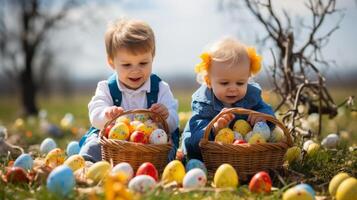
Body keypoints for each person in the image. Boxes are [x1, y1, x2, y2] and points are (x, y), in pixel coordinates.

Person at [79, 18, 179, 162]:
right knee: (94, 143)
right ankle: (87, 164)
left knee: (165, 148)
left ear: (152, 57)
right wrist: (106, 114)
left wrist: (165, 117)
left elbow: (174, 121)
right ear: (112, 63)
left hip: (149, 145)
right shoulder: (107, 87)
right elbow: (95, 114)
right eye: (126, 65)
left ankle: (159, 167)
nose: (135, 70)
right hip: (113, 145)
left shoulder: (160, 88)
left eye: (143, 63)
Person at [182, 37, 275, 161]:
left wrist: (264, 117)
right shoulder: (204, 104)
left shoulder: (251, 97)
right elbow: (193, 141)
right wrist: (213, 128)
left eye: (240, 83)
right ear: (208, 81)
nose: (233, 89)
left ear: (248, 78)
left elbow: (269, 113)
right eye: (225, 83)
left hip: (240, 155)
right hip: (211, 157)